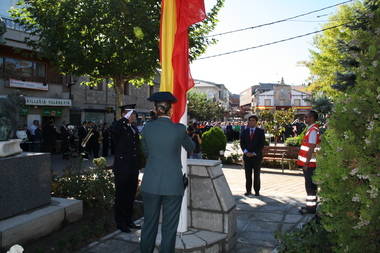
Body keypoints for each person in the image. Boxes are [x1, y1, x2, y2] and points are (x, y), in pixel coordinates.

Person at [140, 92, 195, 253]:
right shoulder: (179, 129)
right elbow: (191, 148)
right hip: (173, 184)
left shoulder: (147, 128)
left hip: (150, 182)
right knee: (169, 228)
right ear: (170, 110)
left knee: (149, 224)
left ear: (156, 109)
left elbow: (146, 152)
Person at [111, 104, 142, 233]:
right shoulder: (119, 126)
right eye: (133, 114)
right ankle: (120, 222)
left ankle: (129, 220)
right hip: (122, 168)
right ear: (126, 114)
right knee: (121, 195)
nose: (135, 116)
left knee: (130, 195)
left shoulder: (132, 128)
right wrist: (124, 118)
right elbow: (113, 131)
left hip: (132, 167)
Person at [297, 110, 321, 214]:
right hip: (309, 163)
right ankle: (310, 206)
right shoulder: (311, 129)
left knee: (310, 186)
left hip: (310, 164)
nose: (305, 119)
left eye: (306, 117)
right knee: (311, 186)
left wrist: (306, 163)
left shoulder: (313, 131)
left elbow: (311, 148)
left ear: (312, 118)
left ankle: (310, 208)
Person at [240, 115, 265, 196]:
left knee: (256, 175)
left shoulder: (260, 132)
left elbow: (261, 145)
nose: (251, 122)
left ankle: (257, 191)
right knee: (248, 175)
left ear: (256, 122)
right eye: (250, 120)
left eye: (253, 120)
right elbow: (242, 143)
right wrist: (246, 152)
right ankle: (248, 190)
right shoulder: (244, 131)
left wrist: (254, 153)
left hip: (256, 157)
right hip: (247, 157)